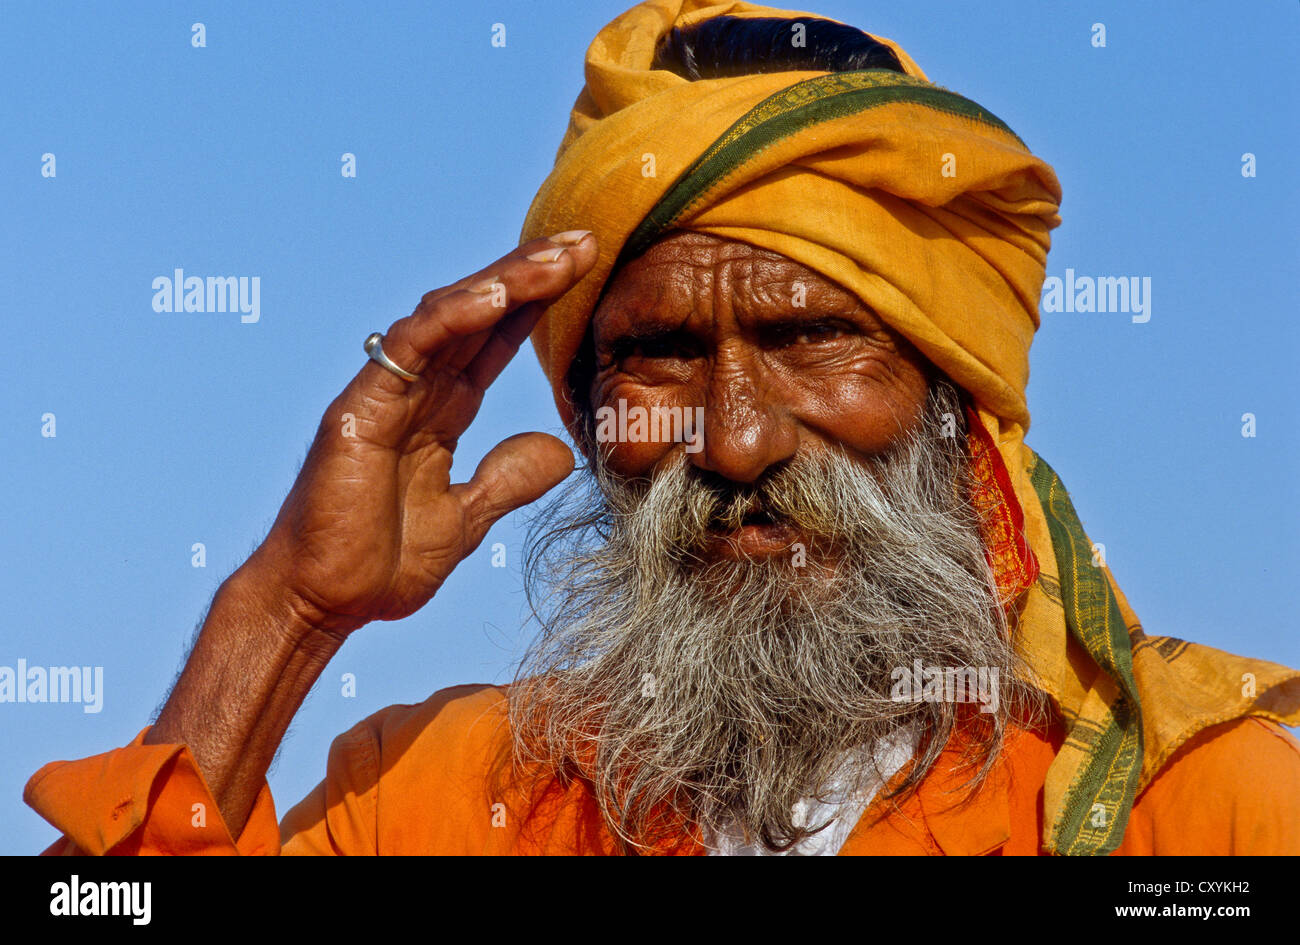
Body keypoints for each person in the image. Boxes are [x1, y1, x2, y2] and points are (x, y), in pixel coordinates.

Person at [25, 0, 1300, 856]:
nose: (736, 444)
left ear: (951, 397)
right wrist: (286, 613)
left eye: (811, 339)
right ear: (587, 417)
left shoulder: (1182, 810)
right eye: (662, 357)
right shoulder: (445, 796)